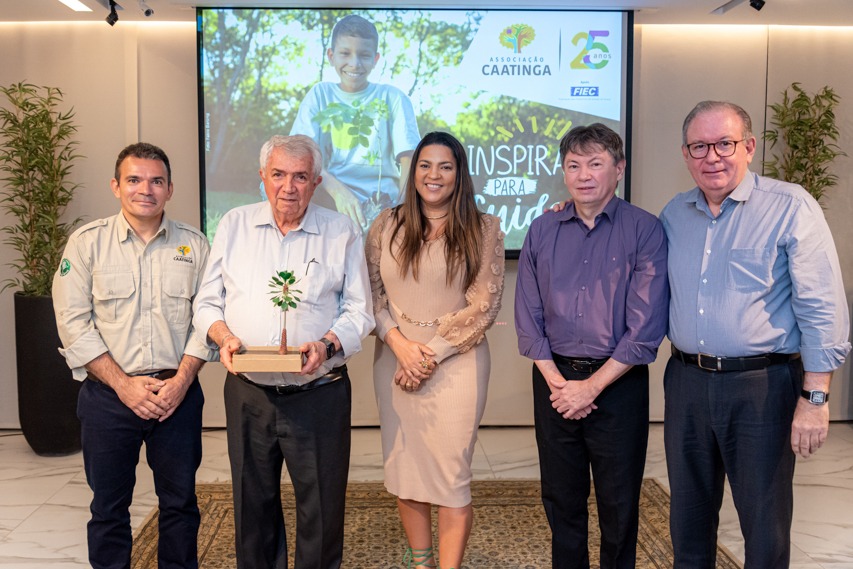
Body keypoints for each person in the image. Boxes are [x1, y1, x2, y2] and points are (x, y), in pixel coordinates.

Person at [661, 101, 850, 568]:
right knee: (688, 520)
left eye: (724, 143)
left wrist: (816, 399)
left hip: (763, 388)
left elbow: (822, 305)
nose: (712, 156)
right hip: (686, 382)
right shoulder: (673, 214)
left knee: (764, 526)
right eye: (699, 146)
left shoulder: (790, 207)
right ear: (685, 154)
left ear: (748, 147)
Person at [192, 134, 374, 569]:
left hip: (319, 392)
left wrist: (326, 344)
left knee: (322, 510)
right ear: (262, 178)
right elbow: (206, 302)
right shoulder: (234, 224)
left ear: (317, 182)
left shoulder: (341, 231)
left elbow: (360, 312)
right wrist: (222, 336)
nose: (287, 187)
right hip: (248, 394)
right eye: (278, 175)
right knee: (252, 508)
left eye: (300, 176)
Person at [515, 123, 669, 569]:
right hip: (554, 380)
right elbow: (528, 318)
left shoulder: (644, 230)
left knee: (619, 503)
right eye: (573, 165)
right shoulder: (542, 230)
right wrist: (562, 385)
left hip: (618, 382)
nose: (584, 175)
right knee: (561, 500)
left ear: (618, 169)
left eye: (595, 164)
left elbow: (645, 327)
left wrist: (590, 388)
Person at [52, 143, 212, 569]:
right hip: (108, 396)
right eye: (135, 180)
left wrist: (180, 382)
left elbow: (210, 320)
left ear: (171, 189)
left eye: (156, 181)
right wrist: (123, 385)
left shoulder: (195, 246)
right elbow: (72, 321)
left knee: (179, 504)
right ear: (116, 186)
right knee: (108, 507)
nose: (146, 189)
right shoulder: (87, 244)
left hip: (175, 395)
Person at [366, 131, 505, 569]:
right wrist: (399, 345)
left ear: (459, 173)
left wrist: (426, 355)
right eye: (425, 165)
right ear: (414, 171)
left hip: (458, 364)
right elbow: (370, 294)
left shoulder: (484, 228)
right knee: (406, 469)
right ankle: (421, 562)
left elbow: (484, 304)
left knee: (450, 476)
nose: (434, 175)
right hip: (393, 359)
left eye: (445, 166)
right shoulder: (385, 224)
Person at [290, 13, 421, 232]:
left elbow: (409, 160)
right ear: (331, 56)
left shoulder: (394, 98)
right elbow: (302, 156)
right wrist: (339, 192)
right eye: (345, 53)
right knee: (275, 187)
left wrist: (401, 211)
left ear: (376, 59)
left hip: (380, 204)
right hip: (329, 196)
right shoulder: (320, 94)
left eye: (364, 55)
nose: (354, 63)